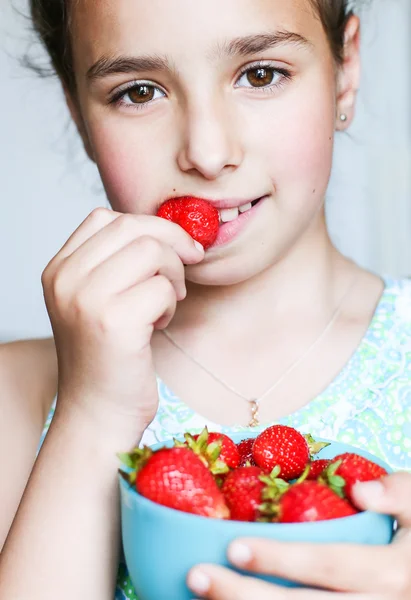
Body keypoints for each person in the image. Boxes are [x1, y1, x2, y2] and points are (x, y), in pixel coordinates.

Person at [1, 0, 411, 598]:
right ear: (78, 113)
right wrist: (92, 415)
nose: (207, 151)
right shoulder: (18, 394)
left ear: (344, 70)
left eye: (261, 74)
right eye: (139, 92)